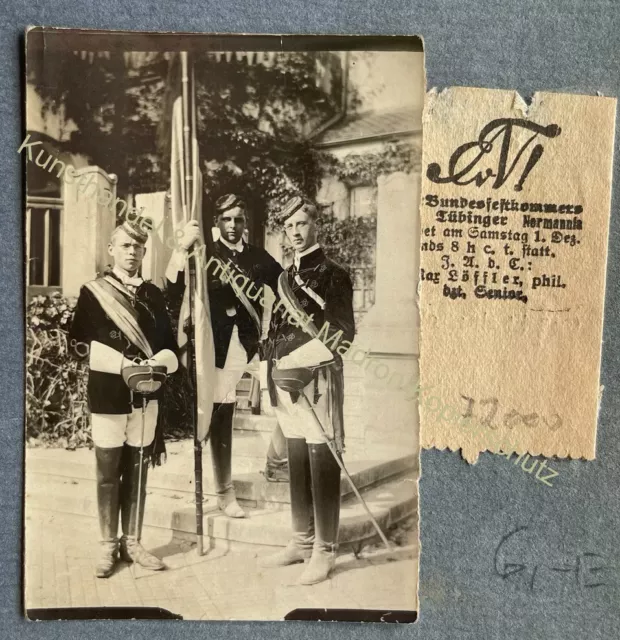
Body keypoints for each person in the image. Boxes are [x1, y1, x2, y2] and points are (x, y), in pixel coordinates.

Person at [69, 218, 179, 578]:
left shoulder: (154, 294)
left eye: (138, 246)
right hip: (108, 393)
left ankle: (132, 541)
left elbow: (169, 346)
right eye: (126, 246)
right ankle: (107, 546)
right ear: (112, 250)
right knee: (107, 471)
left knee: (137, 470)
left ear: (145, 251)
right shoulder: (93, 291)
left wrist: (157, 363)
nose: (132, 252)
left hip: (146, 395)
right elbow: (77, 344)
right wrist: (121, 364)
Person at [166, 194, 283, 517]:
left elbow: (286, 286)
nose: (233, 225)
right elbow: (172, 288)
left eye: (239, 219)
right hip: (210, 347)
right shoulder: (204, 254)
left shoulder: (259, 258)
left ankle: (227, 487)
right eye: (226, 219)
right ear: (216, 222)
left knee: (235, 408)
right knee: (217, 410)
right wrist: (180, 250)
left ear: (246, 222)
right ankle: (222, 492)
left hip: (244, 346)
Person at [258, 195, 355, 585]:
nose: (296, 232)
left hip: (315, 378)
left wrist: (298, 362)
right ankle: (301, 541)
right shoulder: (283, 277)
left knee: (321, 457)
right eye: (290, 226)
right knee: (297, 456)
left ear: (316, 225)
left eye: (302, 224)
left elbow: (343, 336)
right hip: (282, 379)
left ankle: (325, 550)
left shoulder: (335, 274)